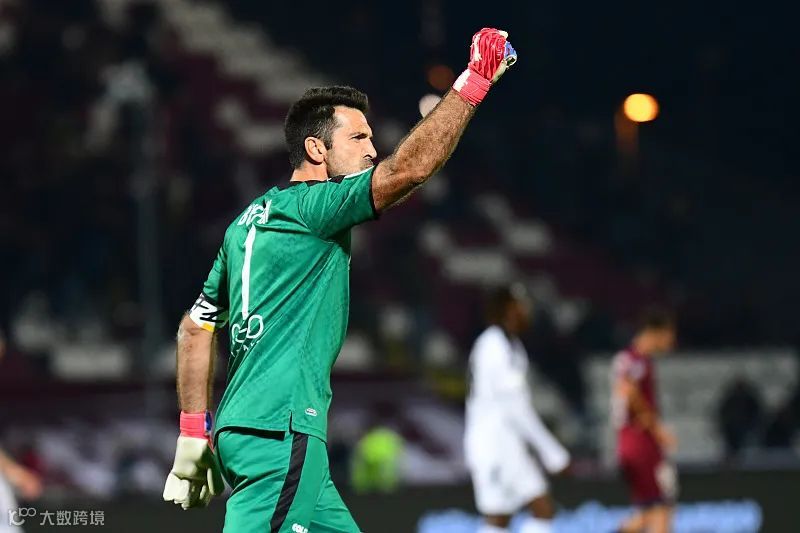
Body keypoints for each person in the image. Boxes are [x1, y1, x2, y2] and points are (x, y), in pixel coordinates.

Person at [162, 28, 518, 533]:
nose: (372, 149)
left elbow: (195, 329)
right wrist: (474, 80)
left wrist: (192, 433)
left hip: (250, 427)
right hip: (281, 430)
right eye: (358, 138)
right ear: (316, 148)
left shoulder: (244, 226)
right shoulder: (314, 209)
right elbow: (407, 171)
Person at [464, 284, 570, 533]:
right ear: (509, 309)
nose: (527, 311)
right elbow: (514, 407)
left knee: (525, 513)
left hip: (508, 443)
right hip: (492, 444)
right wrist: (552, 452)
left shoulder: (511, 345)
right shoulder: (493, 346)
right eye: (523, 306)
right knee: (505, 516)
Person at [612, 308, 678, 533]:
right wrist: (657, 429)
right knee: (661, 509)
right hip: (640, 442)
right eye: (669, 335)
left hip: (632, 442)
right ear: (656, 332)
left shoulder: (632, 359)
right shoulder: (635, 360)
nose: (671, 341)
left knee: (651, 510)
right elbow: (627, 390)